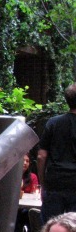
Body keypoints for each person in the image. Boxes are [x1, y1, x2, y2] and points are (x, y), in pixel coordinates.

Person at [37, 83, 76, 223]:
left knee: (50, 228)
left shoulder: (53, 123)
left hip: (55, 183)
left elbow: (41, 156)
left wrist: (43, 183)